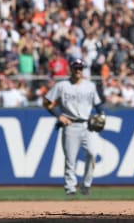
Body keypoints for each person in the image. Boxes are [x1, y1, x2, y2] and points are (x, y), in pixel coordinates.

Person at [43, 58, 106, 196]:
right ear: (70, 69)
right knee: (70, 159)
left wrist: (102, 115)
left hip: (87, 124)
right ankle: (70, 188)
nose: (78, 70)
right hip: (70, 124)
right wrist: (59, 116)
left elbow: (98, 104)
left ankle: (86, 185)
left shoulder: (90, 86)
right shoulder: (62, 86)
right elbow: (47, 101)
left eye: (80, 68)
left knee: (92, 153)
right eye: (76, 67)